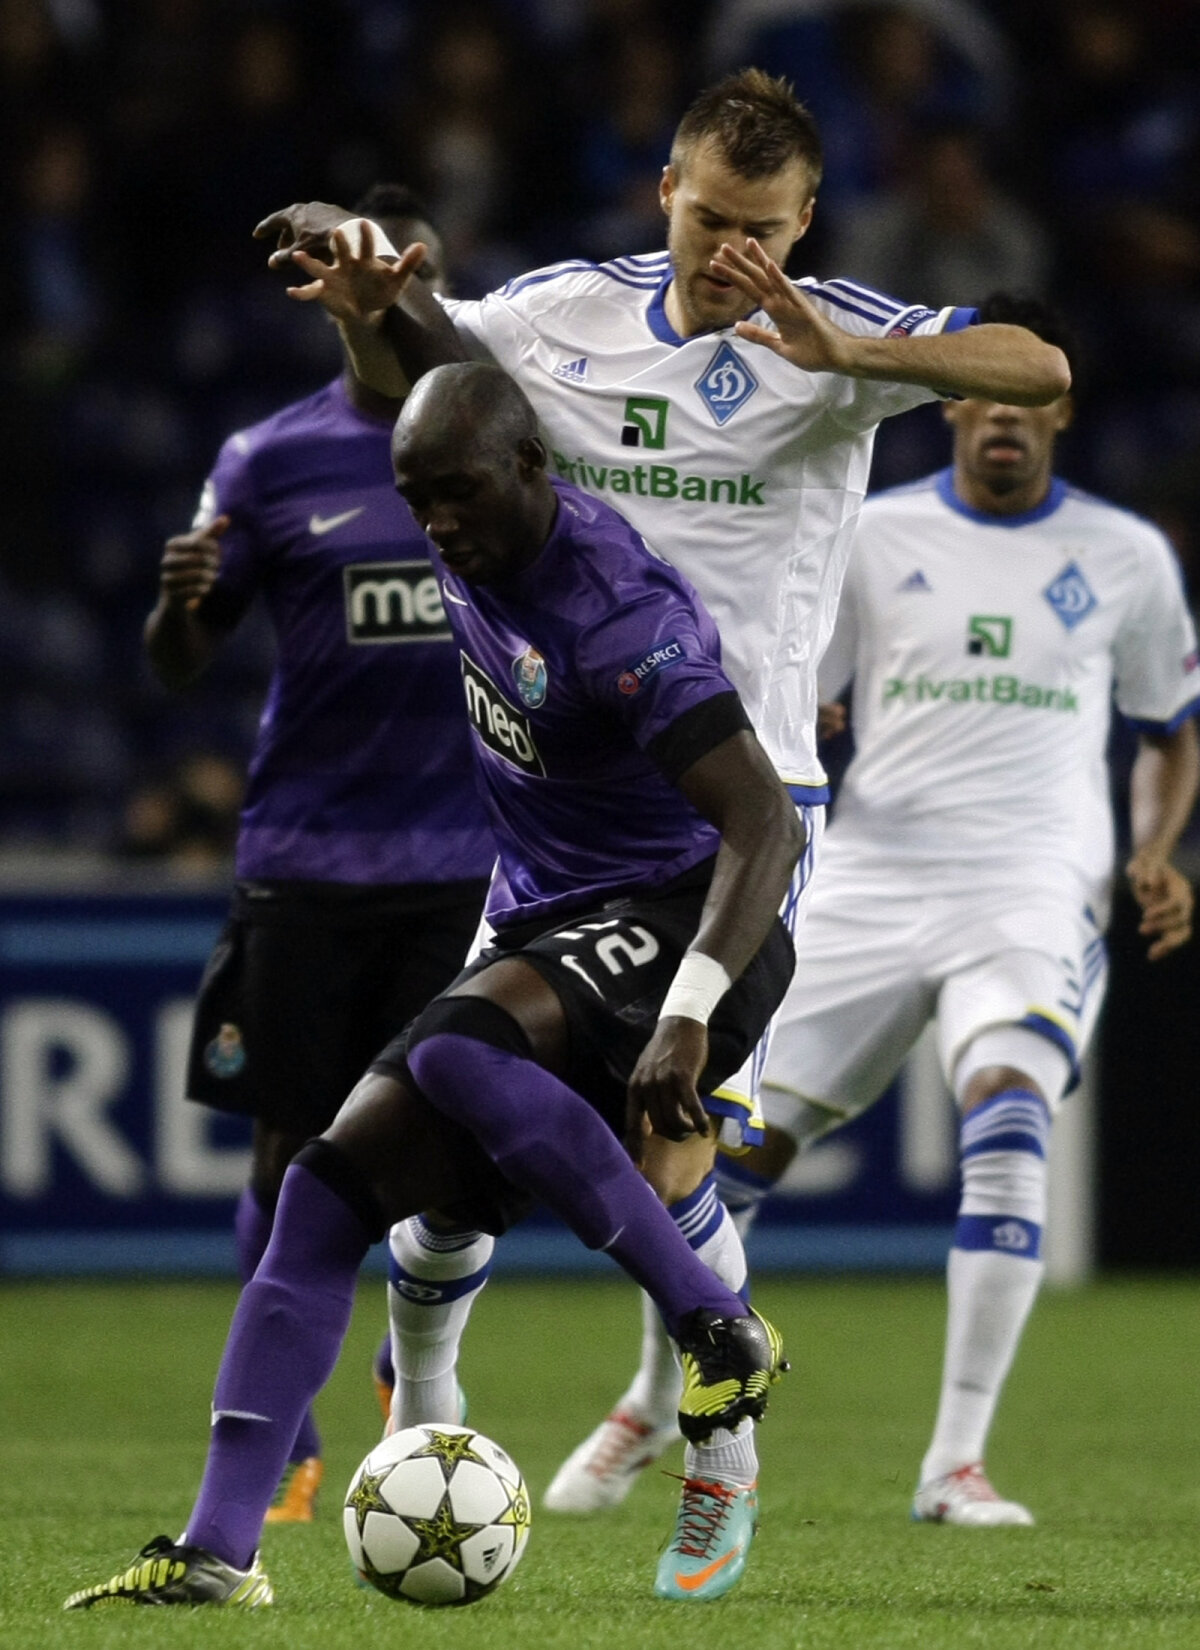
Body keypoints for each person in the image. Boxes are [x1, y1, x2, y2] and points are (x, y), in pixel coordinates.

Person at [254, 66, 1070, 1512]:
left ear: (806, 221)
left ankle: (718, 1455)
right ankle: (425, 1418)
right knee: (450, 1145)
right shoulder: (564, 313)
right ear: (666, 194)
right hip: (557, 806)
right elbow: (419, 382)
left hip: (734, 813)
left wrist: (851, 354)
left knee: (670, 1138)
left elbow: (1040, 367)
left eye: (762, 227)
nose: (731, 251)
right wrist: (366, 302)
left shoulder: (838, 335)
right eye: (709, 219)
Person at [62, 361, 803, 1610]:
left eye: (458, 493)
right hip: (545, 918)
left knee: (464, 1049)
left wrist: (687, 1010)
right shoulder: (469, 538)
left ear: (530, 466)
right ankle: (218, 1550)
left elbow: (764, 823)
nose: (437, 523)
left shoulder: (616, 612)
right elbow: (410, 360)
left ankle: (715, 1327)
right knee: (322, 1191)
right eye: (417, 499)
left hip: (683, 914)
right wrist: (364, 297)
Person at [546, 293, 1200, 1521]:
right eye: (978, 395)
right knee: (718, 1152)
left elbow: (1171, 729)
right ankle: (653, 1400)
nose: (1002, 418)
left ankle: (955, 1463)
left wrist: (1157, 848)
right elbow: (794, 680)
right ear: (950, 400)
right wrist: (814, 706)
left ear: (1057, 408)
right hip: (873, 876)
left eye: (1026, 400)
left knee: (1008, 1112)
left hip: (1032, 882)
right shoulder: (876, 534)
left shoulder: (1126, 557)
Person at [143, 184, 496, 1523]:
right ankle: (289, 1441)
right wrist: (178, 608)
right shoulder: (267, 458)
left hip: (469, 862)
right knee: (291, 1154)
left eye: (411, 278)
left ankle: (413, 1383)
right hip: (308, 862)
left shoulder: (507, 443)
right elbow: (182, 661)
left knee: (446, 1159)